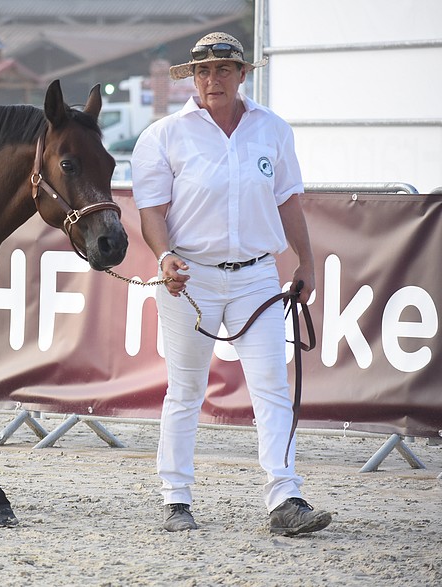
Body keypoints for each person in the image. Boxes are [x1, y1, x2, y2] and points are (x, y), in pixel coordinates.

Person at [131, 32, 332, 536]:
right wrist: (165, 255)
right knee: (186, 389)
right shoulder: (164, 135)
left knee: (271, 386)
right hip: (188, 278)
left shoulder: (273, 130)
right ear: (192, 79)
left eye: (223, 70)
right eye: (202, 72)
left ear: (242, 75)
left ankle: (284, 496)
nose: (211, 80)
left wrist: (305, 260)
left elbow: (288, 200)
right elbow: (151, 211)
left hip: (258, 275)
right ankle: (176, 498)